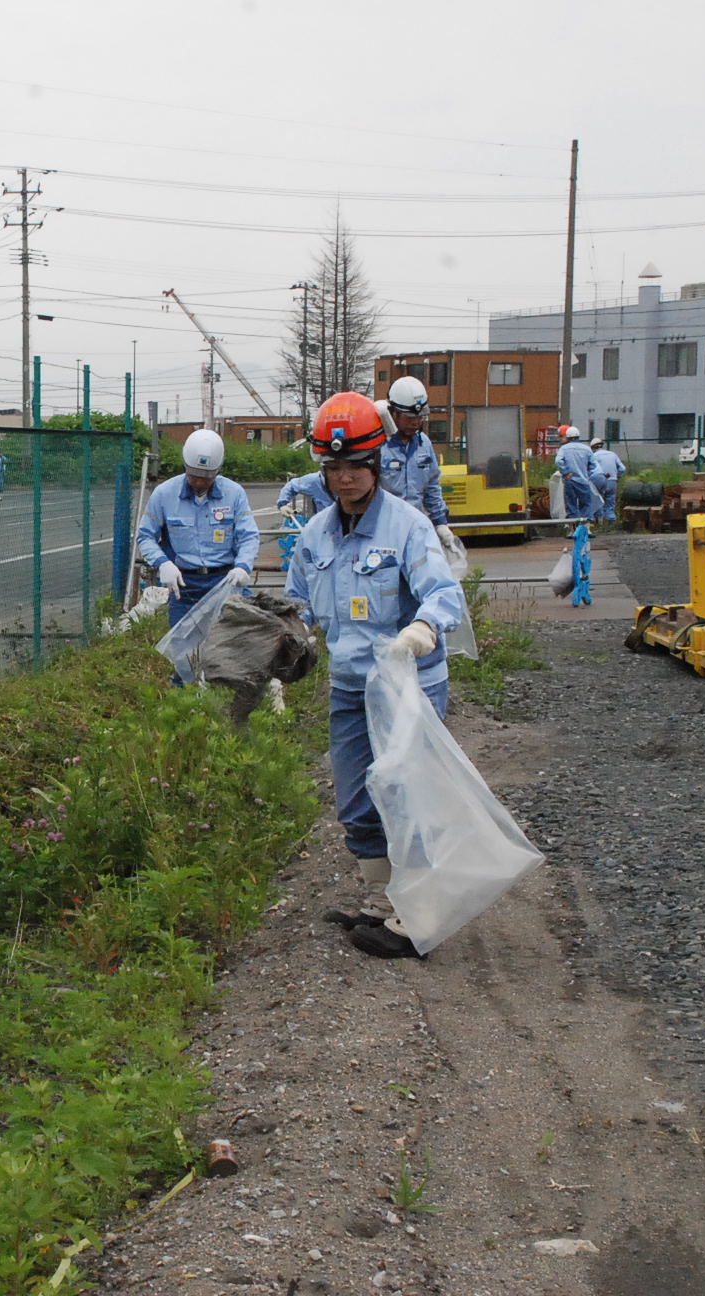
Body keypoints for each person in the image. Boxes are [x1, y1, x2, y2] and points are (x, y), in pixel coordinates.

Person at [285, 394, 465, 961]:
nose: (344, 478)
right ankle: (386, 898)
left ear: (377, 461)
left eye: (354, 467)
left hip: (407, 685)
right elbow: (299, 605)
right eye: (333, 468)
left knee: (408, 797)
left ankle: (420, 918)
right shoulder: (316, 535)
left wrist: (423, 631)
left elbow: (443, 591)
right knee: (358, 800)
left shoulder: (408, 527)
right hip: (350, 686)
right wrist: (278, 637)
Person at [135, 428, 259, 628]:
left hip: (224, 582)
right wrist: (163, 563)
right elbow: (145, 536)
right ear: (185, 465)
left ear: (218, 470)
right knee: (182, 652)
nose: (200, 482)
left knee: (231, 647)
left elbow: (248, 536)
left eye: (207, 477)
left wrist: (243, 566)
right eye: (194, 475)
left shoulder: (234, 494)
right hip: (183, 586)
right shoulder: (165, 494)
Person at [377, 377, 453, 543]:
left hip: (416, 529)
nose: (415, 423)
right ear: (393, 414)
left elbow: (432, 485)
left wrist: (440, 522)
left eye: (419, 418)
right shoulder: (378, 446)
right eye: (409, 418)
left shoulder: (423, 443)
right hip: (383, 531)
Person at [555, 427, 597, 522]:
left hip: (570, 480)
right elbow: (594, 464)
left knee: (571, 505)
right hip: (583, 481)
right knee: (586, 504)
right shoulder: (586, 449)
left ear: (568, 437)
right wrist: (587, 473)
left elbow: (558, 461)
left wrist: (565, 472)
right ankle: (585, 528)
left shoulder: (564, 448)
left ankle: (572, 529)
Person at [588, 438, 627, 522]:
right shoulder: (612, 454)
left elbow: (590, 470)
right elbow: (622, 468)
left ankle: (598, 521)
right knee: (610, 502)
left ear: (592, 447)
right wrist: (616, 477)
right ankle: (611, 521)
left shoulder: (594, 456)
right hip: (612, 481)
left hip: (599, 481)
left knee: (598, 500)